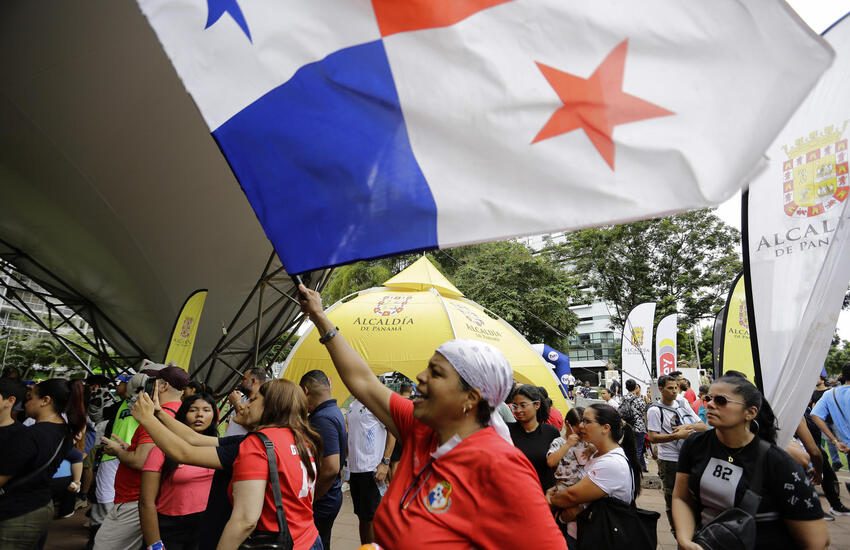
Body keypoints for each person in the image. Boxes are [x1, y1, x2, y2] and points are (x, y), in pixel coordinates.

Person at [297, 285, 566, 548]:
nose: (420, 378)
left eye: (436, 373)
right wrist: (320, 318)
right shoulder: (420, 427)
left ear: (471, 398)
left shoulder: (500, 466)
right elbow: (363, 381)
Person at [672, 375, 829, 549]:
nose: (709, 404)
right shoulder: (695, 445)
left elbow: (817, 540)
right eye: (708, 398)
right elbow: (682, 497)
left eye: (721, 400)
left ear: (750, 412)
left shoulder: (777, 462)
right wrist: (685, 540)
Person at [218, 379, 323, 550]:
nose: (246, 405)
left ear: (271, 405)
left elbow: (245, 520)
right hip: (310, 538)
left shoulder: (258, 443)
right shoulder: (304, 439)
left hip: (279, 543)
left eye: (253, 399)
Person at [94, 366, 188, 550]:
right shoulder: (180, 413)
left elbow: (142, 460)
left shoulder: (156, 418)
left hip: (135, 500)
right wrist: (128, 447)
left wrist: (118, 452)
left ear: (162, 386)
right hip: (150, 499)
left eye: (150, 384)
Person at [0, 378, 86, 549]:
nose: (25, 403)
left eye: (30, 397)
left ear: (46, 401)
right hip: (40, 505)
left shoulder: (31, 435)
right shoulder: (64, 431)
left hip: (18, 511)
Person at [546, 404, 642, 548]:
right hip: (584, 533)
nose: (581, 426)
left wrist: (550, 499)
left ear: (606, 428)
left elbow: (571, 496)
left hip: (598, 538)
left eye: (587, 421)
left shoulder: (611, 463)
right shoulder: (596, 453)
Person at [140, 394, 217, 550]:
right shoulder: (161, 449)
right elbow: (146, 502)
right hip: (170, 526)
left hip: (205, 524)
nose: (200, 415)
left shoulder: (218, 448)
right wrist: (154, 544)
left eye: (206, 410)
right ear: (183, 414)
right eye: (193, 410)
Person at [646, 374, 707, 534]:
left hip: (688, 457)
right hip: (669, 461)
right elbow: (652, 437)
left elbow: (702, 426)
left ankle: (691, 528)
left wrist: (687, 428)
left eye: (676, 388)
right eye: (670, 388)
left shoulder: (682, 405)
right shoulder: (654, 410)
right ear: (660, 389)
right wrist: (676, 436)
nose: (674, 391)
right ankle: (678, 531)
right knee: (672, 497)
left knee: (691, 495)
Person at [89, 372, 141, 544]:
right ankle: (97, 534)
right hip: (111, 457)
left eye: (123, 382)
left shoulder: (144, 405)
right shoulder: (118, 405)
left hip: (133, 456)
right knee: (105, 497)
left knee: (123, 499)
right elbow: (97, 417)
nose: (118, 385)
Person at [300, 370, 347, 550]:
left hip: (324, 498)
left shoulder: (323, 419)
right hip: (331, 495)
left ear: (305, 391)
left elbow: (331, 467)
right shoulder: (333, 411)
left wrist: (313, 496)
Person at [347, 395, 396, 544]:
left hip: (372, 470)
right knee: (363, 517)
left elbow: (392, 431)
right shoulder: (352, 406)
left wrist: (385, 462)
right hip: (356, 471)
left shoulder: (374, 402)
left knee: (374, 518)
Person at [546, 407, 590, 548]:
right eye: (577, 429)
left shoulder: (586, 442)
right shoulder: (558, 442)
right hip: (563, 489)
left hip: (581, 489)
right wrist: (568, 445)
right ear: (567, 424)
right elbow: (551, 462)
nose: (581, 433)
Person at [509, 384, 560, 492]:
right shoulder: (507, 431)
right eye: (515, 406)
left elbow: (558, 467)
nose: (518, 410)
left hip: (543, 494)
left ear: (536, 405)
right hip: (514, 492)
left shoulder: (551, 432)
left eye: (523, 405)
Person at [224, 367, 268, 436]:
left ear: (253, 381)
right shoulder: (243, 398)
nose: (241, 382)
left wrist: (236, 403)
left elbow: (252, 426)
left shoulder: (263, 403)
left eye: (244, 379)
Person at [618, 379, 648, 472]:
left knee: (629, 449)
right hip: (639, 427)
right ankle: (633, 472)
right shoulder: (639, 399)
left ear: (626, 388)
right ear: (636, 387)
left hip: (627, 427)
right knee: (637, 451)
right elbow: (644, 412)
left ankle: (642, 468)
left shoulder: (622, 398)